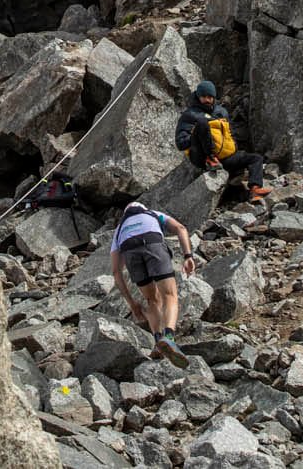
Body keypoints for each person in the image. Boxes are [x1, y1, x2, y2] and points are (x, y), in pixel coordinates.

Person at [109, 201, 198, 368]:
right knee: (170, 295)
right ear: (143, 209)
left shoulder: (119, 229)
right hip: (153, 242)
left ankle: (158, 342)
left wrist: (132, 304)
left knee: (152, 300)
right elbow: (181, 228)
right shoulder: (153, 214)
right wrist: (188, 256)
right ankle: (169, 338)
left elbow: (116, 272)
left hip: (129, 251)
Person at [176, 81, 269, 201]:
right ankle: (210, 159)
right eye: (203, 96)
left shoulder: (221, 112)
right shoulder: (189, 115)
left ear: (214, 97)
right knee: (203, 124)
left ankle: (255, 190)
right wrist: (197, 134)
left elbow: (231, 134)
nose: (207, 100)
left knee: (256, 158)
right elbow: (180, 143)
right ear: (198, 97)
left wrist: (234, 149)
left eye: (210, 97)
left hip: (224, 158)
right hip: (201, 156)